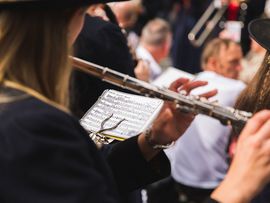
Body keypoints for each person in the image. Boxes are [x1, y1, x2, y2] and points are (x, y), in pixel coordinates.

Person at [0, 1, 270, 203]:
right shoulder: (31, 125)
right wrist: (236, 188)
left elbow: (86, 176)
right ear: (66, 21)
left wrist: (151, 140)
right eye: (84, 14)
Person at [147, 38, 245, 203]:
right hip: (211, 183)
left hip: (179, 176)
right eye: (233, 62)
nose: (240, 68)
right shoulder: (236, 88)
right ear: (213, 63)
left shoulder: (191, 80)